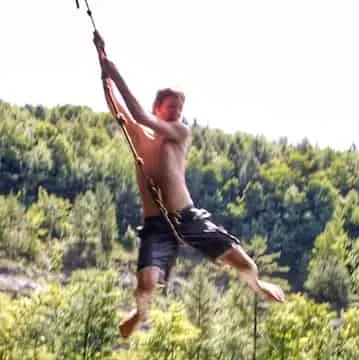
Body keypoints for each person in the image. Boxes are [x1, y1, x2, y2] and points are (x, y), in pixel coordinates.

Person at [96, 51, 286, 338]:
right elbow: (120, 110)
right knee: (146, 284)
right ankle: (140, 313)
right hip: (156, 227)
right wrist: (105, 73)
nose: (177, 112)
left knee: (245, 263)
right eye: (172, 106)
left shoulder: (179, 132)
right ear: (158, 106)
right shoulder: (139, 136)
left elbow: (137, 113)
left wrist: (114, 70)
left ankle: (258, 285)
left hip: (188, 217)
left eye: (180, 108)